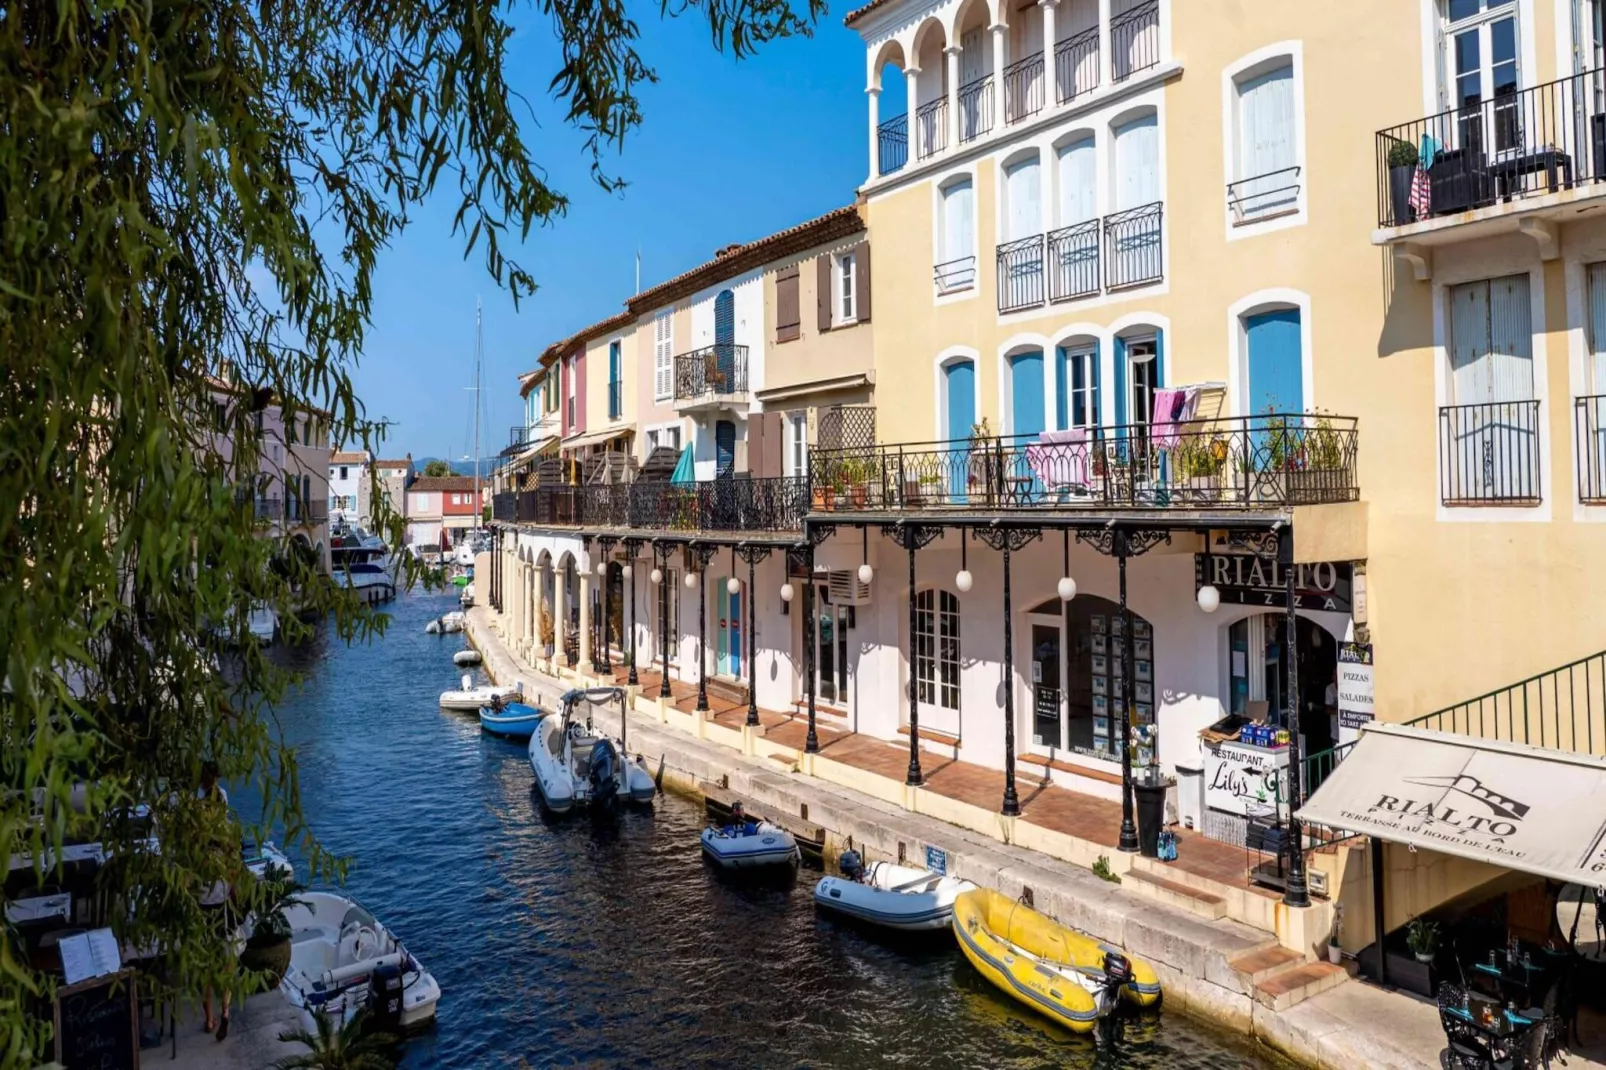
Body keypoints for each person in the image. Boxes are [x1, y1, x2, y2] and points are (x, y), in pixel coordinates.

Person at [197, 761, 235, 1041]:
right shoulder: (227, 831)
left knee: (205, 964)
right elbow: (234, 865)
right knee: (227, 961)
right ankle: (225, 1012)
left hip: (203, 901)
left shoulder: (195, 832)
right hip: (223, 900)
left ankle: (209, 1020)